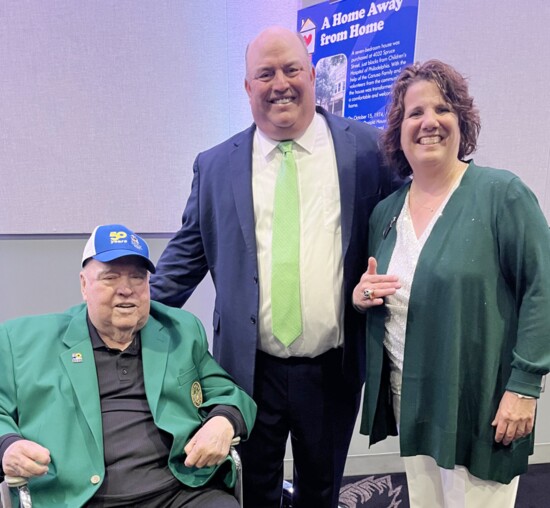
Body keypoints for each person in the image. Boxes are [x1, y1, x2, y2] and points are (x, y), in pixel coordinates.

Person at [149, 26, 402, 508]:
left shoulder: (369, 151)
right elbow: (181, 264)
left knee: (321, 491)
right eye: (264, 74)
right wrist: (119, 320)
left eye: (291, 70)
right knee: (250, 491)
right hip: (245, 372)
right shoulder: (216, 165)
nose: (279, 83)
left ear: (312, 73)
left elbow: (408, 226)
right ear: (247, 87)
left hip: (334, 367)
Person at [353, 59, 550, 507]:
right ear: (398, 130)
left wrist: (525, 387)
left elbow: (544, 287)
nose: (428, 123)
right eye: (414, 113)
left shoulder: (502, 194)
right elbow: (380, 290)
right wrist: (362, 297)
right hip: (415, 404)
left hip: (479, 406)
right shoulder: (385, 214)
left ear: (462, 121)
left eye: (442, 109)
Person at [0, 223, 256, 507]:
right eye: (110, 277)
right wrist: (7, 444)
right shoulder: (23, 341)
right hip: (79, 498)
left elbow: (228, 393)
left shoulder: (179, 331)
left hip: (178, 493)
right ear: (84, 285)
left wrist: (223, 421)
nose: (126, 290)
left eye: (137, 278)